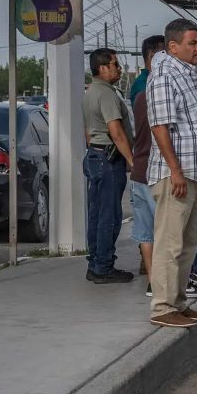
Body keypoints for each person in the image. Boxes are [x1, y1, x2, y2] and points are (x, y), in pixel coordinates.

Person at [147, 18, 197, 329]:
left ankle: (178, 302)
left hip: (194, 170)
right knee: (170, 242)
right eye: (192, 43)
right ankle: (163, 307)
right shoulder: (164, 76)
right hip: (176, 175)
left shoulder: (185, 75)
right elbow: (159, 126)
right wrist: (175, 171)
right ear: (173, 46)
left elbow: (185, 122)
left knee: (188, 242)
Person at [81, 48, 134, 284]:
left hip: (96, 155)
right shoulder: (106, 94)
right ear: (103, 68)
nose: (119, 68)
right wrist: (132, 160)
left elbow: (88, 132)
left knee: (97, 214)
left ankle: (95, 262)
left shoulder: (91, 91)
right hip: (108, 159)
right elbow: (116, 132)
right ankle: (103, 267)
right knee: (109, 216)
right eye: (115, 64)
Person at [130, 34, 165, 295]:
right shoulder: (162, 96)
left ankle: (153, 280)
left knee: (145, 232)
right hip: (157, 172)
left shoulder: (140, 96)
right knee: (166, 230)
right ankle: (164, 282)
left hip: (138, 171)